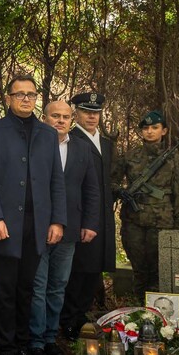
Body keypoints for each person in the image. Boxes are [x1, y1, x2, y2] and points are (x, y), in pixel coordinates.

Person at [0, 74, 66, 355]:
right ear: (7, 98)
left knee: (28, 289)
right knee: (5, 290)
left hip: (38, 226)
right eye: (19, 94)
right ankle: (6, 352)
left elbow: (56, 181)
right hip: (5, 225)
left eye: (31, 94)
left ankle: (25, 346)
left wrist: (57, 220)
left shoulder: (47, 133)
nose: (26, 99)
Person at [28, 100, 100, 355]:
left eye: (66, 116)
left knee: (57, 286)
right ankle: (35, 340)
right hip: (37, 229)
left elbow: (92, 189)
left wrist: (90, 223)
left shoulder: (82, 148)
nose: (60, 121)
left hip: (69, 230)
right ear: (44, 118)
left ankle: (49, 337)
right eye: (55, 116)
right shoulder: (34, 145)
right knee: (38, 285)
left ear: (72, 120)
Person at [111, 110, 179, 300]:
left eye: (154, 128)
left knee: (158, 272)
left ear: (164, 131)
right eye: (145, 128)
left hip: (162, 224)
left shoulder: (173, 159)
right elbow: (112, 181)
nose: (149, 132)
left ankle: (158, 314)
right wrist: (120, 191)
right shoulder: (131, 156)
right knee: (139, 271)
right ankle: (138, 314)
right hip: (134, 222)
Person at [61, 92, 116, 339]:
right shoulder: (70, 140)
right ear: (77, 114)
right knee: (78, 270)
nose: (92, 117)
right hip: (81, 217)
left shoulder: (106, 144)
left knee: (93, 270)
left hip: (101, 217)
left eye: (96, 113)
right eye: (86, 112)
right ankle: (69, 319)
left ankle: (81, 314)